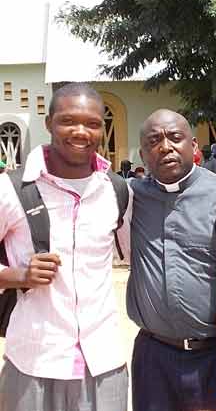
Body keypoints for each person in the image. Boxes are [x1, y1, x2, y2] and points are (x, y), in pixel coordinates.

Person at [0, 83, 131, 411]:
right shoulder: (11, 189)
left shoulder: (116, 190)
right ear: (49, 123)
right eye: (68, 121)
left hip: (103, 362)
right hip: (33, 360)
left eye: (92, 123)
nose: (80, 132)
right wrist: (18, 276)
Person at [127, 109, 216, 411]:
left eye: (175, 138)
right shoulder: (131, 196)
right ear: (142, 155)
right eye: (154, 141)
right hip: (153, 358)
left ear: (193, 145)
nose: (165, 147)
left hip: (214, 357)